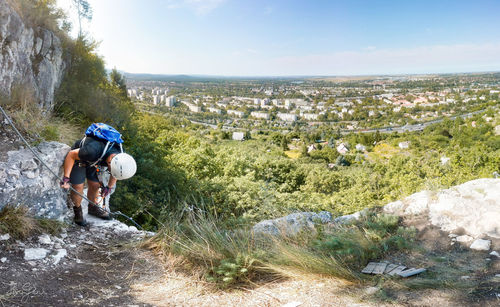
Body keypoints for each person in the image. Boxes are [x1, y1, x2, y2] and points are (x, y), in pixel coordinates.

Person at [59, 124, 136, 226]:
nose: (111, 173)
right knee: (78, 187)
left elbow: (115, 173)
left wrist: (109, 187)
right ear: (109, 164)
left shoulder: (120, 156)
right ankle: (78, 212)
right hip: (79, 158)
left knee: (95, 185)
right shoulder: (91, 151)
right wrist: (66, 178)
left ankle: (93, 208)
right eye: (111, 170)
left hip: (95, 161)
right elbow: (71, 155)